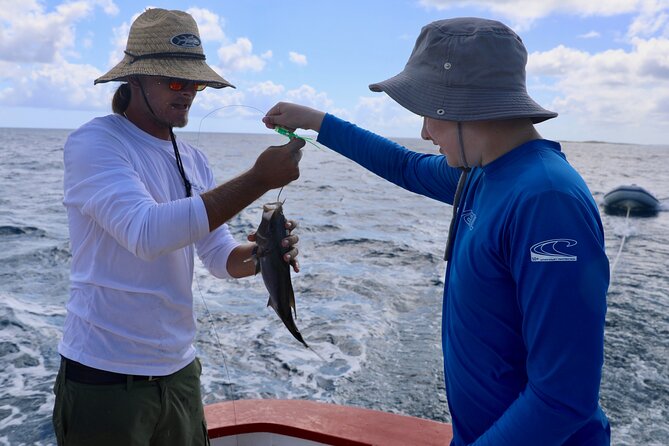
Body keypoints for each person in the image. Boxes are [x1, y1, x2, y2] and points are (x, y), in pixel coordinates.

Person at [263, 17, 610, 446]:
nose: (425, 132)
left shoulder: (546, 201)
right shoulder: (479, 173)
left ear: (462, 107)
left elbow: (563, 398)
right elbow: (404, 166)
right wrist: (318, 121)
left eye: (428, 113)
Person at [52, 8, 304, 446]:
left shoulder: (194, 159)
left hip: (181, 372)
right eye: (174, 81)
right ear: (134, 81)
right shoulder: (95, 143)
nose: (188, 92)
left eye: (195, 82)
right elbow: (146, 234)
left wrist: (263, 252)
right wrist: (259, 179)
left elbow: (219, 257)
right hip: (105, 377)